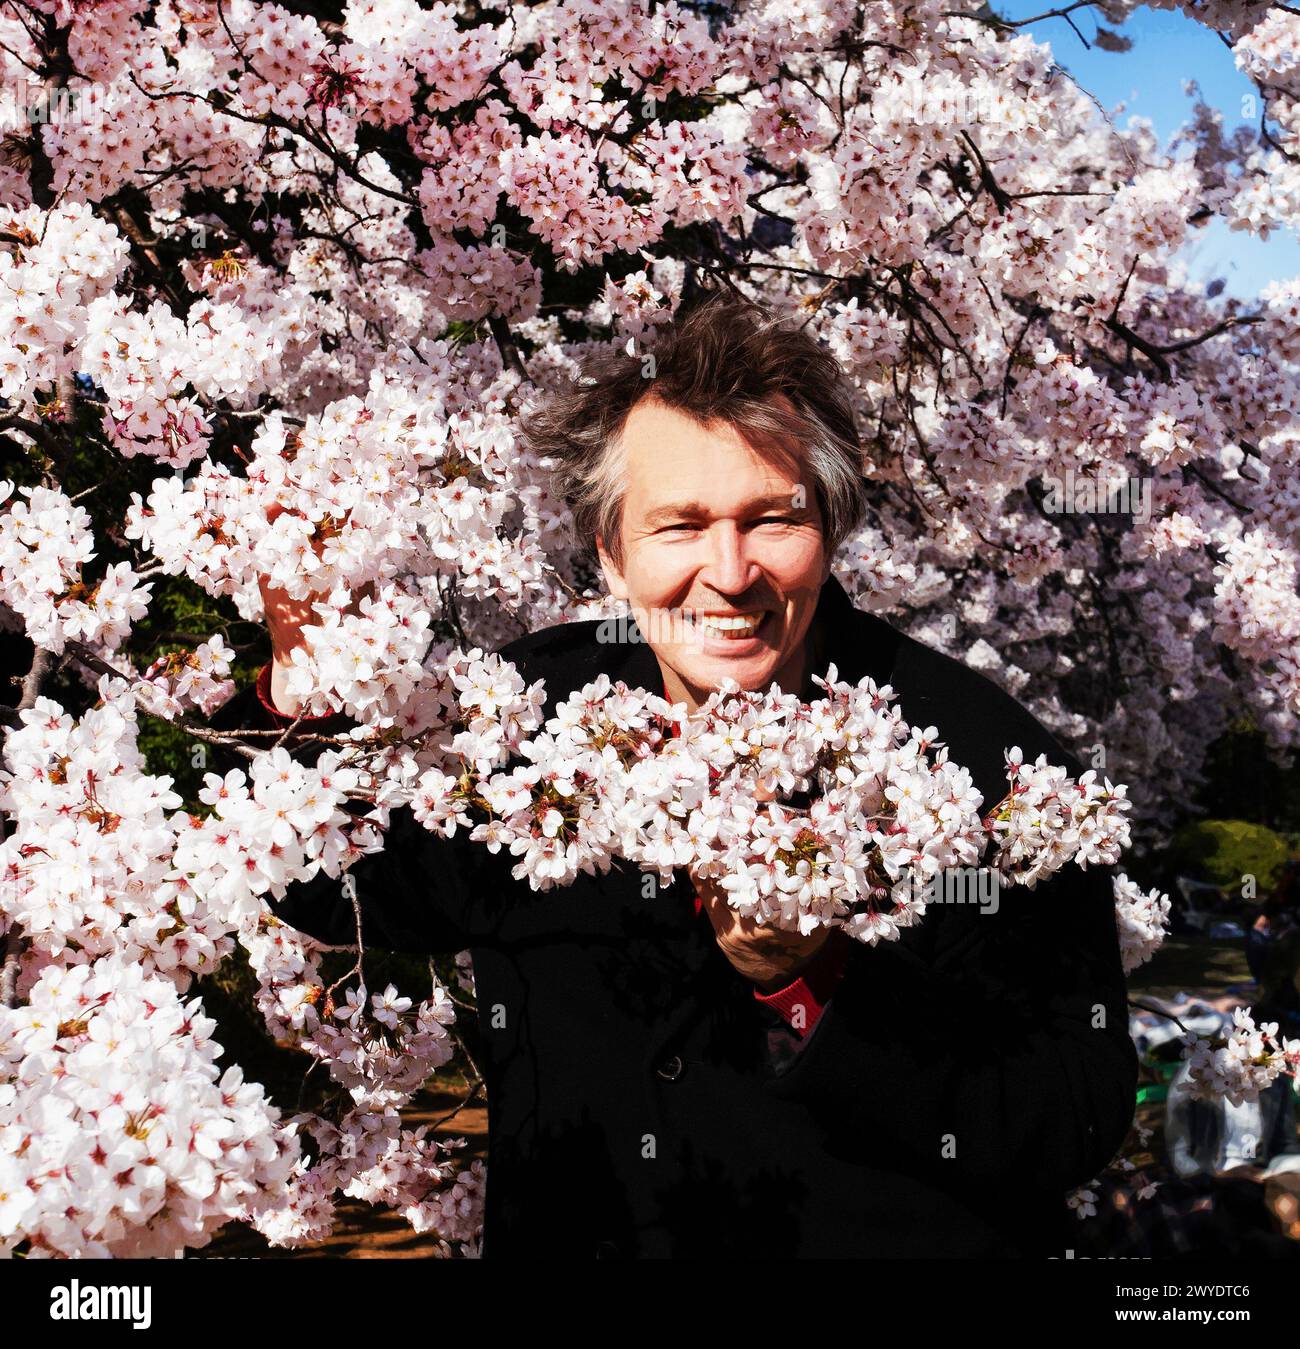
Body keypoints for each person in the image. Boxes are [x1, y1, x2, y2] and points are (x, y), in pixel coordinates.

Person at [210, 287, 1138, 1259]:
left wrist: (817, 981)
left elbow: (1071, 1112)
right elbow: (330, 884)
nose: (730, 571)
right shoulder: (519, 712)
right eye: (680, 525)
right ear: (611, 553)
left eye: (771, 519)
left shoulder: (990, 762)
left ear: (830, 526)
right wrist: (300, 683)